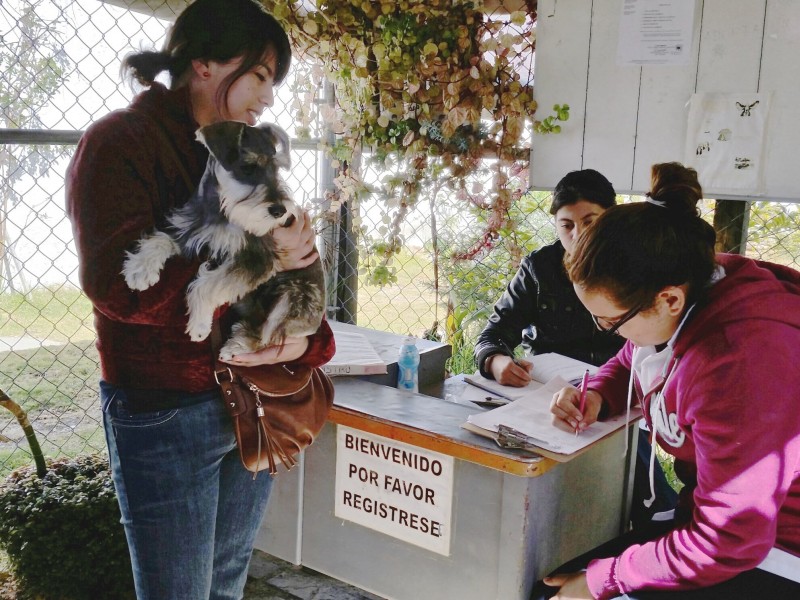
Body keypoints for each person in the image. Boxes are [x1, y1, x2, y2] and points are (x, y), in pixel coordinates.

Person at [65, 1, 335, 598]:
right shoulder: (120, 142)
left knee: (226, 585)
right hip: (165, 408)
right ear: (206, 62)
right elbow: (117, 288)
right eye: (260, 77)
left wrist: (307, 333)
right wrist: (239, 270)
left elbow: (295, 268)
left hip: (251, 399)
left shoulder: (247, 151)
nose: (266, 98)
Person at [537, 162, 800, 599]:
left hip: (778, 549)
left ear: (669, 300)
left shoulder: (740, 361)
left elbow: (728, 540)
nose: (610, 333)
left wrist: (604, 579)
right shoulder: (686, 284)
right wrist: (599, 394)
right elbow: (632, 356)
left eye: (611, 321)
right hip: (712, 524)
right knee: (550, 583)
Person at [474, 169, 677, 527]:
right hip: (548, 391)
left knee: (628, 464)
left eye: (590, 221)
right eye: (567, 225)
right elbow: (495, 331)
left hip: (615, 396)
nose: (579, 235)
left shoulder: (636, 267)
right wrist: (496, 361)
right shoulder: (540, 268)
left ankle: (655, 519)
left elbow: (647, 351)